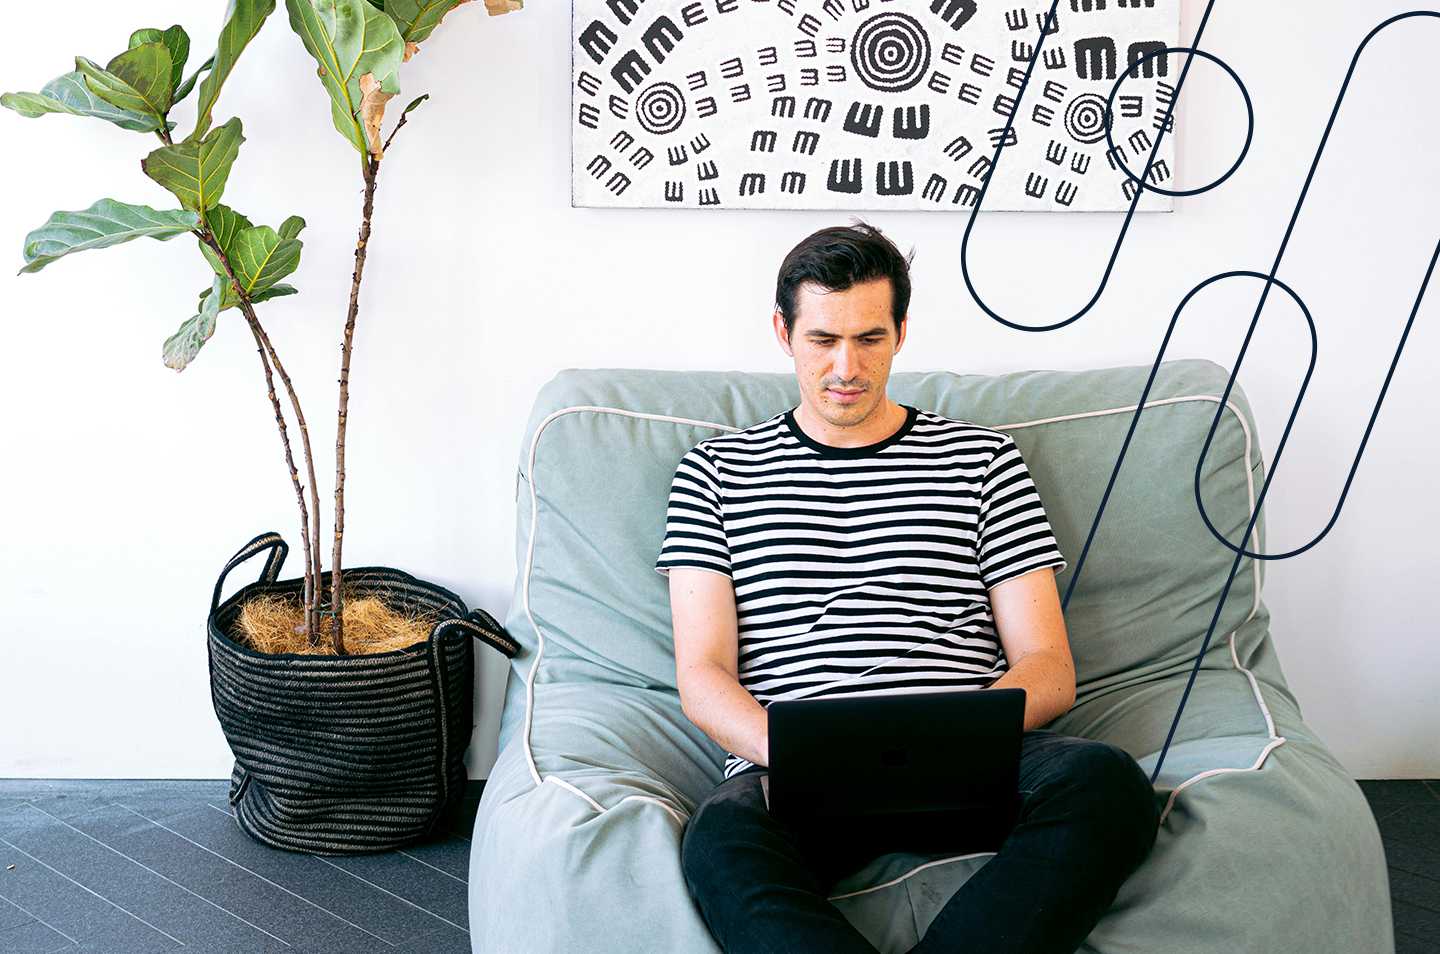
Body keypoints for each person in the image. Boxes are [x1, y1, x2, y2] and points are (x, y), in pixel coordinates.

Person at [653, 220, 1160, 954]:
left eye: (869, 338)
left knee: (1108, 784)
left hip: (969, 757)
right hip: (798, 771)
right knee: (719, 843)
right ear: (783, 332)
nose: (846, 366)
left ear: (900, 332)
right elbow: (702, 675)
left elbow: (1049, 665)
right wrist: (792, 751)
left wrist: (962, 734)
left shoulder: (984, 459)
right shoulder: (714, 472)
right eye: (823, 340)